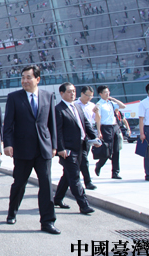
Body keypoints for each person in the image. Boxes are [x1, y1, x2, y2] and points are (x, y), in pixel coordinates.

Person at [4, 65, 60, 235]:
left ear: (38, 79)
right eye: (23, 77)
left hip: (43, 149)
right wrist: (7, 143)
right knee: (19, 183)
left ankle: (47, 221)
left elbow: (52, 124)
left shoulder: (48, 96)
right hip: (22, 149)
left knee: (46, 185)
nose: (25, 81)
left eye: (28, 77)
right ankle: (12, 211)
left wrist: (55, 145)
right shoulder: (14, 97)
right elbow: (8, 124)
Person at [53, 83, 98, 214]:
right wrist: (61, 148)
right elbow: (58, 131)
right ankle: (84, 205)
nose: (72, 94)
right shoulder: (58, 109)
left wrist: (94, 138)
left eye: (74, 91)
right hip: (68, 149)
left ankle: (57, 199)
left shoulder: (78, 106)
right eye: (69, 92)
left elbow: (86, 124)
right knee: (75, 177)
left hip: (82, 146)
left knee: (67, 175)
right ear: (61, 93)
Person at [94, 85, 126, 179]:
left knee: (116, 150)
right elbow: (98, 120)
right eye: (105, 92)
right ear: (100, 94)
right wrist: (99, 132)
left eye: (108, 92)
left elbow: (123, 106)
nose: (107, 94)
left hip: (115, 126)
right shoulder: (99, 105)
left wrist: (113, 99)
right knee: (108, 150)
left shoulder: (111, 103)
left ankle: (115, 172)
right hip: (105, 128)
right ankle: (99, 164)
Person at [74, 86, 98, 190]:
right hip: (77, 135)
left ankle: (87, 181)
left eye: (91, 96)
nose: (89, 98)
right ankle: (80, 180)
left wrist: (97, 113)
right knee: (79, 159)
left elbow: (95, 120)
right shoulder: (74, 105)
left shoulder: (92, 106)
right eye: (88, 95)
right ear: (82, 94)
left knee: (84, 159)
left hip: (88, 134)